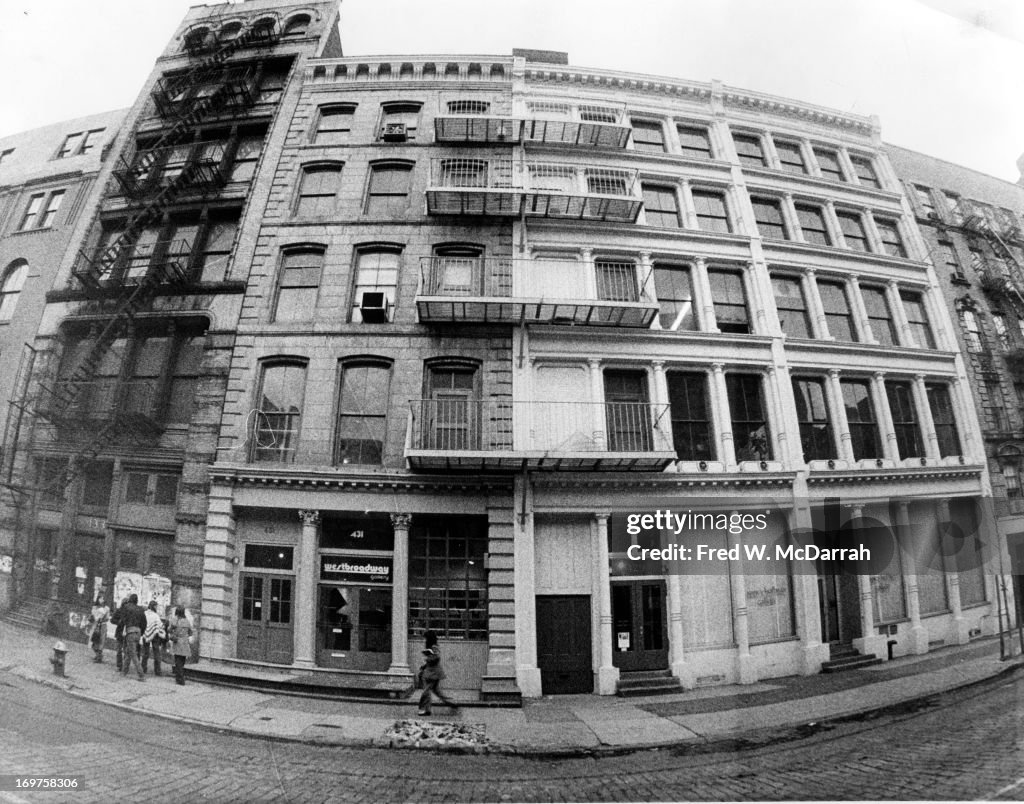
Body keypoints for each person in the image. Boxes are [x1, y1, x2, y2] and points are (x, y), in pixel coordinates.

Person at [417, 646, 458, 717]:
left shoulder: (434, 656)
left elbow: (434, 659)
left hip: (432, 677)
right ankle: (451, 702)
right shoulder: (432, 656)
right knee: (437, 692)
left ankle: (424, 709)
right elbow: (430, 662)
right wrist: (424, 666)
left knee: (426, 692)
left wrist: (427, 658)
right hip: (432, 676)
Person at [120, 594, 146, 681]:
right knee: (129, 652)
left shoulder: (126, 607)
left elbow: (123, 620)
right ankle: (124, 671)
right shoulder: (141, 609)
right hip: (138, 632)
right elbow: (144, 622)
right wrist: (141, 632)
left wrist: (122, 630)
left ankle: (141, 675)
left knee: (133, 654)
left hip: (130, 631)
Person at [141, 601, 166, 676]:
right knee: (156, 652)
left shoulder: (144, 613)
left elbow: (142, 623)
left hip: (145, 634)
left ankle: (143, 668)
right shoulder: (156, 616)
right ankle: (157, 671)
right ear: (154, 607)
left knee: (145, 652)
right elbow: (160, 625)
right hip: (155, 635)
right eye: (156, 606)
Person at [169, 605, 192, 686]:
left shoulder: (175, 620)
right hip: (185, 642)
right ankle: (179, 677)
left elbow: (169, 629)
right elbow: (190, 632)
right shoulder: (187, 621)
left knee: (177, 661)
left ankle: (180, 679)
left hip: (177, 642)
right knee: (182, 661)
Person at [86, 594, 110, 663]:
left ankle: (99, 656)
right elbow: (92, 617)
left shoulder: (106, 608)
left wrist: (102, 618)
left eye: (103, 598)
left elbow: (107, 618)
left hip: (102, 626)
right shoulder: (95, 607)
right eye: (100, 598)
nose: (101, 600)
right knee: (94, 640)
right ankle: (98, 654)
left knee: (101, 641)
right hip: (95, 625)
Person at [109, 597, 130, 671]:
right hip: (120, 632)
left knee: (124, 650)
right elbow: (112, 620)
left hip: (126, 633)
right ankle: (120, 665)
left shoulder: (130, 612)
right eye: (126, 604)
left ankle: (123, 666)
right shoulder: (119, 611)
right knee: (120, 650)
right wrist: (119, 622)